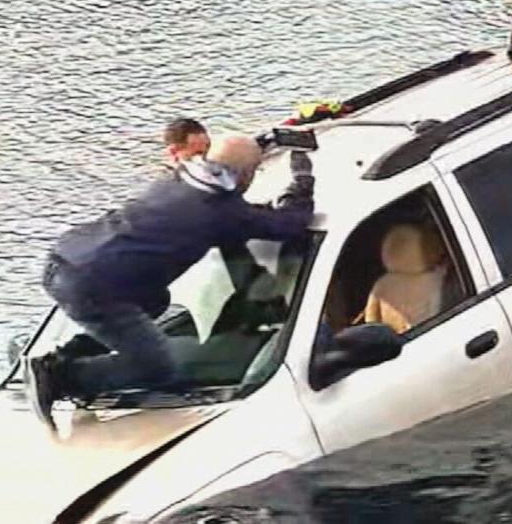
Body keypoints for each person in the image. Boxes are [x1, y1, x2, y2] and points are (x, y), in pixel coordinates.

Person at [29, 134, 315, 420]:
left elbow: (233, 212)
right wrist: (301, 183)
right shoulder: (220, 211)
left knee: (156, 302)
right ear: (247, 174)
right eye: (255, 172)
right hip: (94, 284)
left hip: (65, 260)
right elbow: (289, 225)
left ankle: (71, 353)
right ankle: (61, 377)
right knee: (156, 368)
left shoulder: (177, 179)